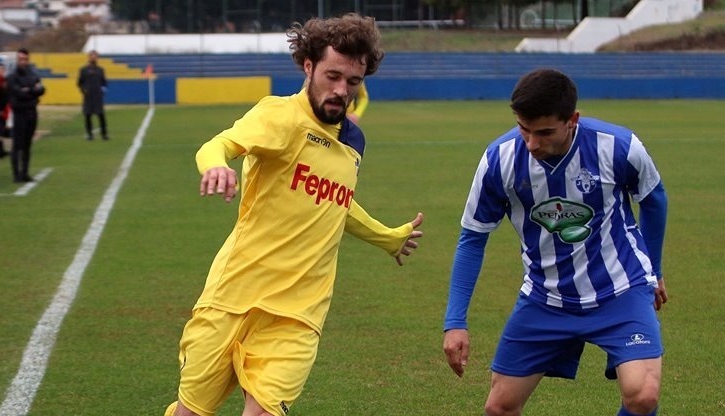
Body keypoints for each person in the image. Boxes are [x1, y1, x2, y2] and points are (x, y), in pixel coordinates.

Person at [164, 13, 424, 416]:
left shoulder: (354, 141)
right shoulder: (279, 116)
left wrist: (386, 237)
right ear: (308, 66)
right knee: (191, 411)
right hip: (235, 295)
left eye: (352, 83)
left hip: (300, 311)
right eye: (332, 76)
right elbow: (219, 144)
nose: (342, 91)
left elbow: (336, 203)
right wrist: (215, 165)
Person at [442, 68, 668, 416]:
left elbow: (654, 198)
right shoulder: (499, 160)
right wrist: (455, 321)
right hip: (546, 298)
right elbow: (472, 238)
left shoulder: (618, 147)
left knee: (643, 395)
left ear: (572, 120)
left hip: (621, 290)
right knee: (499, 407)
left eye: (544, 132)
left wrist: (654, 270)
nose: (532, 143)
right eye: (524, 129)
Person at [7, 48, 45, 183]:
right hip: (19, 113)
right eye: (21, 59)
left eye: (25, 59)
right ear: (17, 60)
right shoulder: (12, 75)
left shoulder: (32, 73)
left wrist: (30, 90)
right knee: (17, 145)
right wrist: (31, 90)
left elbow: (41, 89)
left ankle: (25, 173)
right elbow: (18, 92)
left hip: (31, 111)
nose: (23, 62)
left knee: (28, 144)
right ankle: (16, 174)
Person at [77, 50, 108, 141]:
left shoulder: (100, 70)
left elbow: (104, 82)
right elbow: (79, 82)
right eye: (92, 56)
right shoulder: (83, 70)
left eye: (95, 56)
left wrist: (103, 90)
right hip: (88, 96)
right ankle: (89, 134)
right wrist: (83, 90)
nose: (93, 58)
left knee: (101, 114)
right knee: (88, 115)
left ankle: (104, 134)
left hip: (98, 95)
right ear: (89, 57)